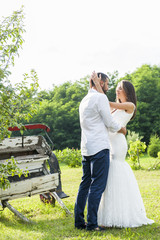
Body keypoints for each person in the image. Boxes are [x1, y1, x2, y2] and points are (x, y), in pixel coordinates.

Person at [91, 71, 154, 228]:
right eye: (117, 88)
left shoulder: (129, 106)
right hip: (108, 142)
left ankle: (121, 214)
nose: (117, 90)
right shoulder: (114, 107)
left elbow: (107, 104)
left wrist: (98, 85)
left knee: (116, 172)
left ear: (127, 91)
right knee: (109, 177)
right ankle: (108, 215)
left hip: (118, 144)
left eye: (120, 88)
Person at [74, 72, 127, 231]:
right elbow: (110, 122)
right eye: (107, 83)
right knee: (97, 186)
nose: (108, 87)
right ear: (100, 82)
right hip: (99, 148)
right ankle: (92, 225)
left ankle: (79, 222)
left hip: (86, 148)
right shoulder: (100, 98)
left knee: (85, 185)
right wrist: (121, 129)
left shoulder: (84, 100)